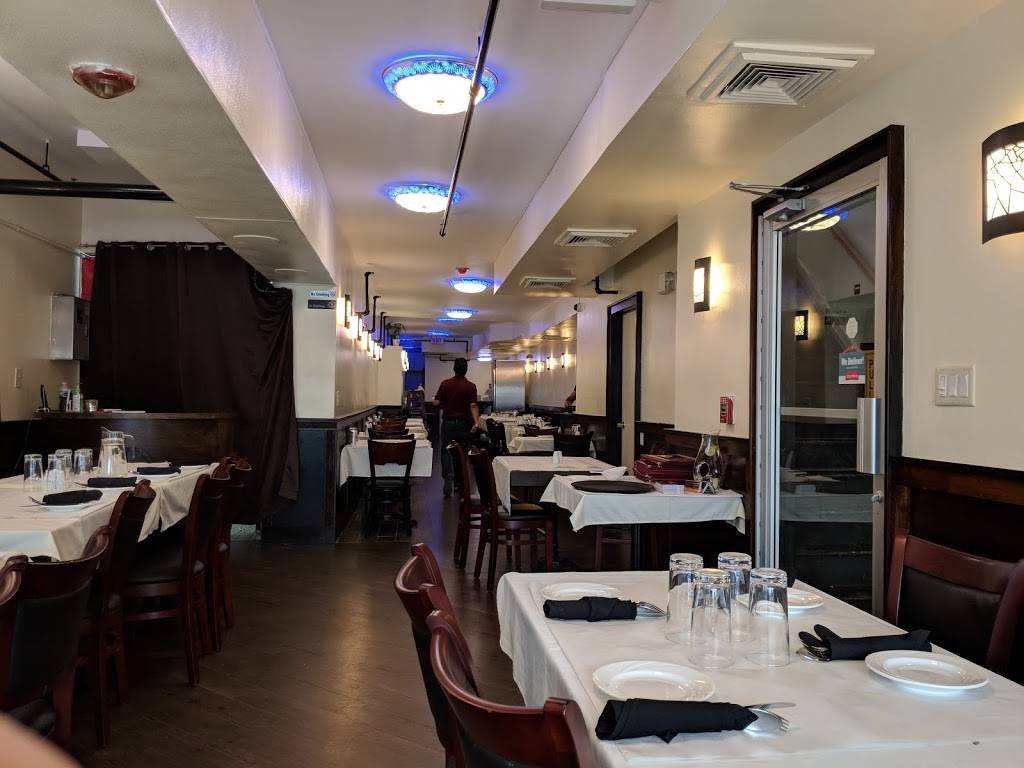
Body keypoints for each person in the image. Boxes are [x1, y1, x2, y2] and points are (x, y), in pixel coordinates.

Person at [433, 357, 481, 496]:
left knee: (446, 451)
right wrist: (476, 422)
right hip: (464, 425)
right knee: (461, 452)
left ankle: (448, 474)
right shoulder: (471, 386)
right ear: (466, 370)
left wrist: (436, 401)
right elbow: (473, 405)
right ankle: (459, 483)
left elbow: (436, 403)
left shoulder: (445, 384)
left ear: (454, 368)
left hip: (448, 424)